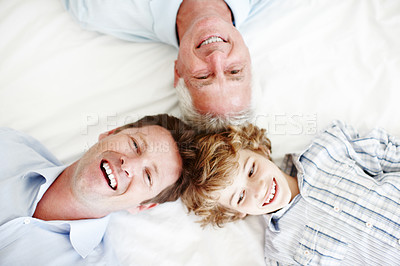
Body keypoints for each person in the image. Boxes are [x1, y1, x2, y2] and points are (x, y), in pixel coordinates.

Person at [181, 121, 400, 265]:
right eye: (240, 197)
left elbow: (390, 155)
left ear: (259, 150)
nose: (258, 190)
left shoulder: (327, 150)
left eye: (251, 170)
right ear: (235, 213)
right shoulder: (280, 254)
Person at [0, 114, 194, 265]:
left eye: (148, 176)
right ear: (110, 133)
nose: (128, 165)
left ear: (141, 207)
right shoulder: (8, 145)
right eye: (135, 145)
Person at [62, 0, 268, 130]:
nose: (216, 57)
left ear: (178, 72)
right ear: (248, 58)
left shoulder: (98, 8)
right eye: (234, 71)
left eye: (204, 77)